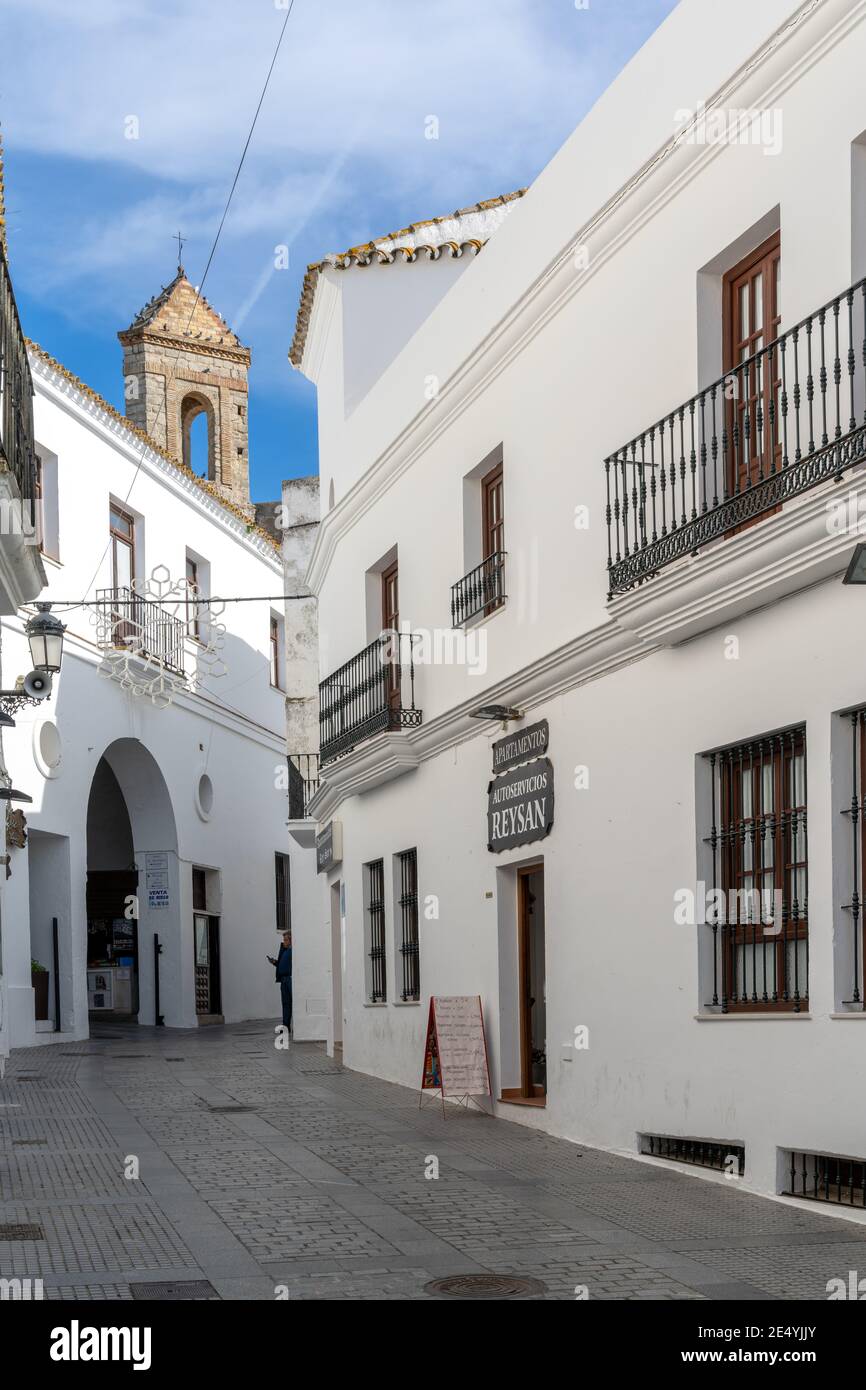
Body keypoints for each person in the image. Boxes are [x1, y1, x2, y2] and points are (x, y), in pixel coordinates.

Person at [268, 931, 292, 1033]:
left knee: (291, 1002)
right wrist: (274, 962)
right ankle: (285, 1026)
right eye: (284, 940)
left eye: (286, 940)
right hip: (283, 980)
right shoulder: (284, 951)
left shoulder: (292, 951)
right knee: (285, 1003)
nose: (284, 942)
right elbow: (281, 964)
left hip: (289, 979)